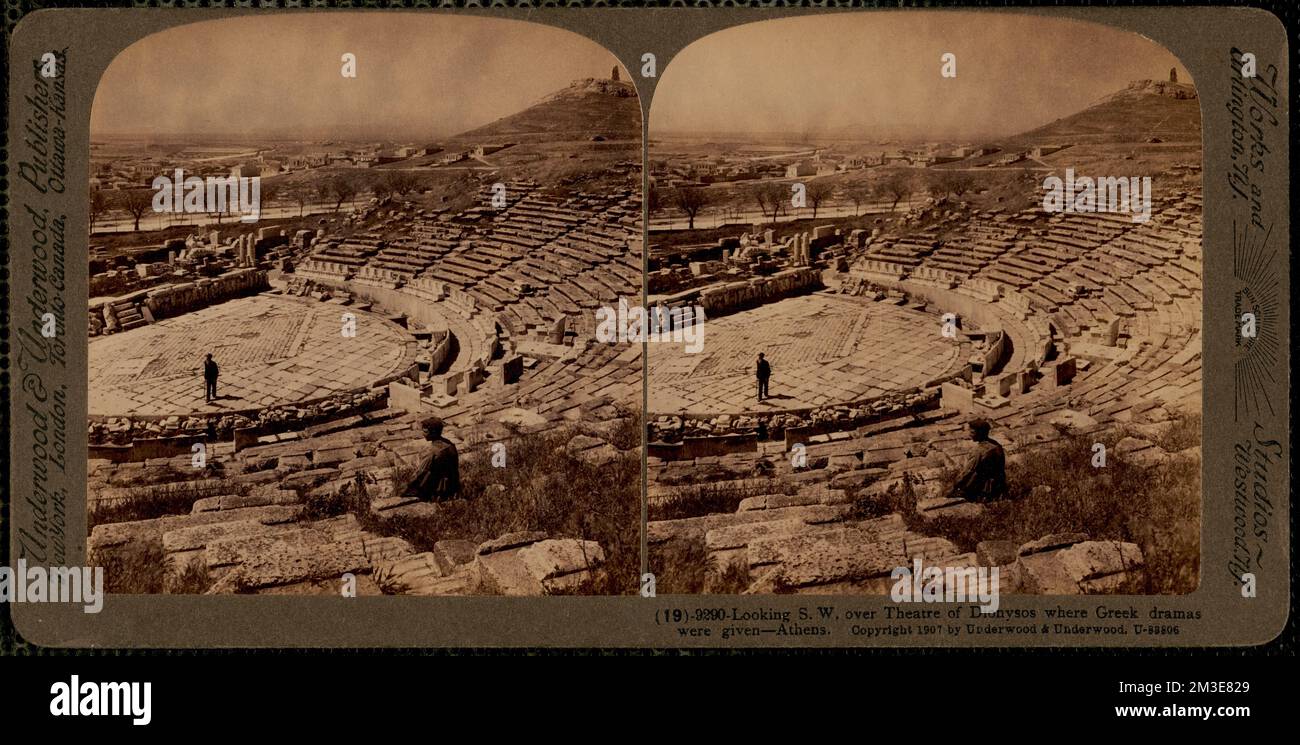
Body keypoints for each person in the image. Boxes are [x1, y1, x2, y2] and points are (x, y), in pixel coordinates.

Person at [949, 418, 1007, 502]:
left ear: (980, 433)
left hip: (986, 488)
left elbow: (968, 471)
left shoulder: (979, 451)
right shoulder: (996, 444)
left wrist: (955, 484)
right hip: (1000, 484)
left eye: (972, 432)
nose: (970, 435)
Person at [410, 414, 460, 502]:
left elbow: (420, 473)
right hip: (454, 485)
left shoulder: (433, 451)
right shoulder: (449, 444)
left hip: (440, 489)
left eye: (425, 432)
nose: (423, 434)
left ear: (433, 433)